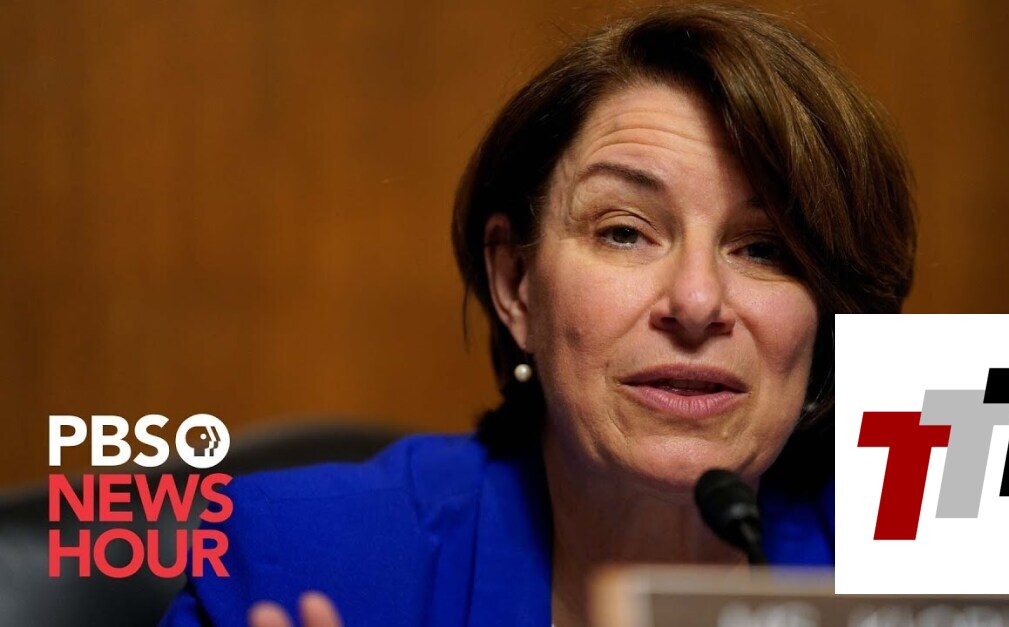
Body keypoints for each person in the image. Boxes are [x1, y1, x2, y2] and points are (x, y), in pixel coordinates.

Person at [160, 4, 915, 626]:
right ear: (516, 283)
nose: (695, 302)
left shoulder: (924, 565)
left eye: (763, 249)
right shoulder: (296, 561)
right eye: (624, 232)